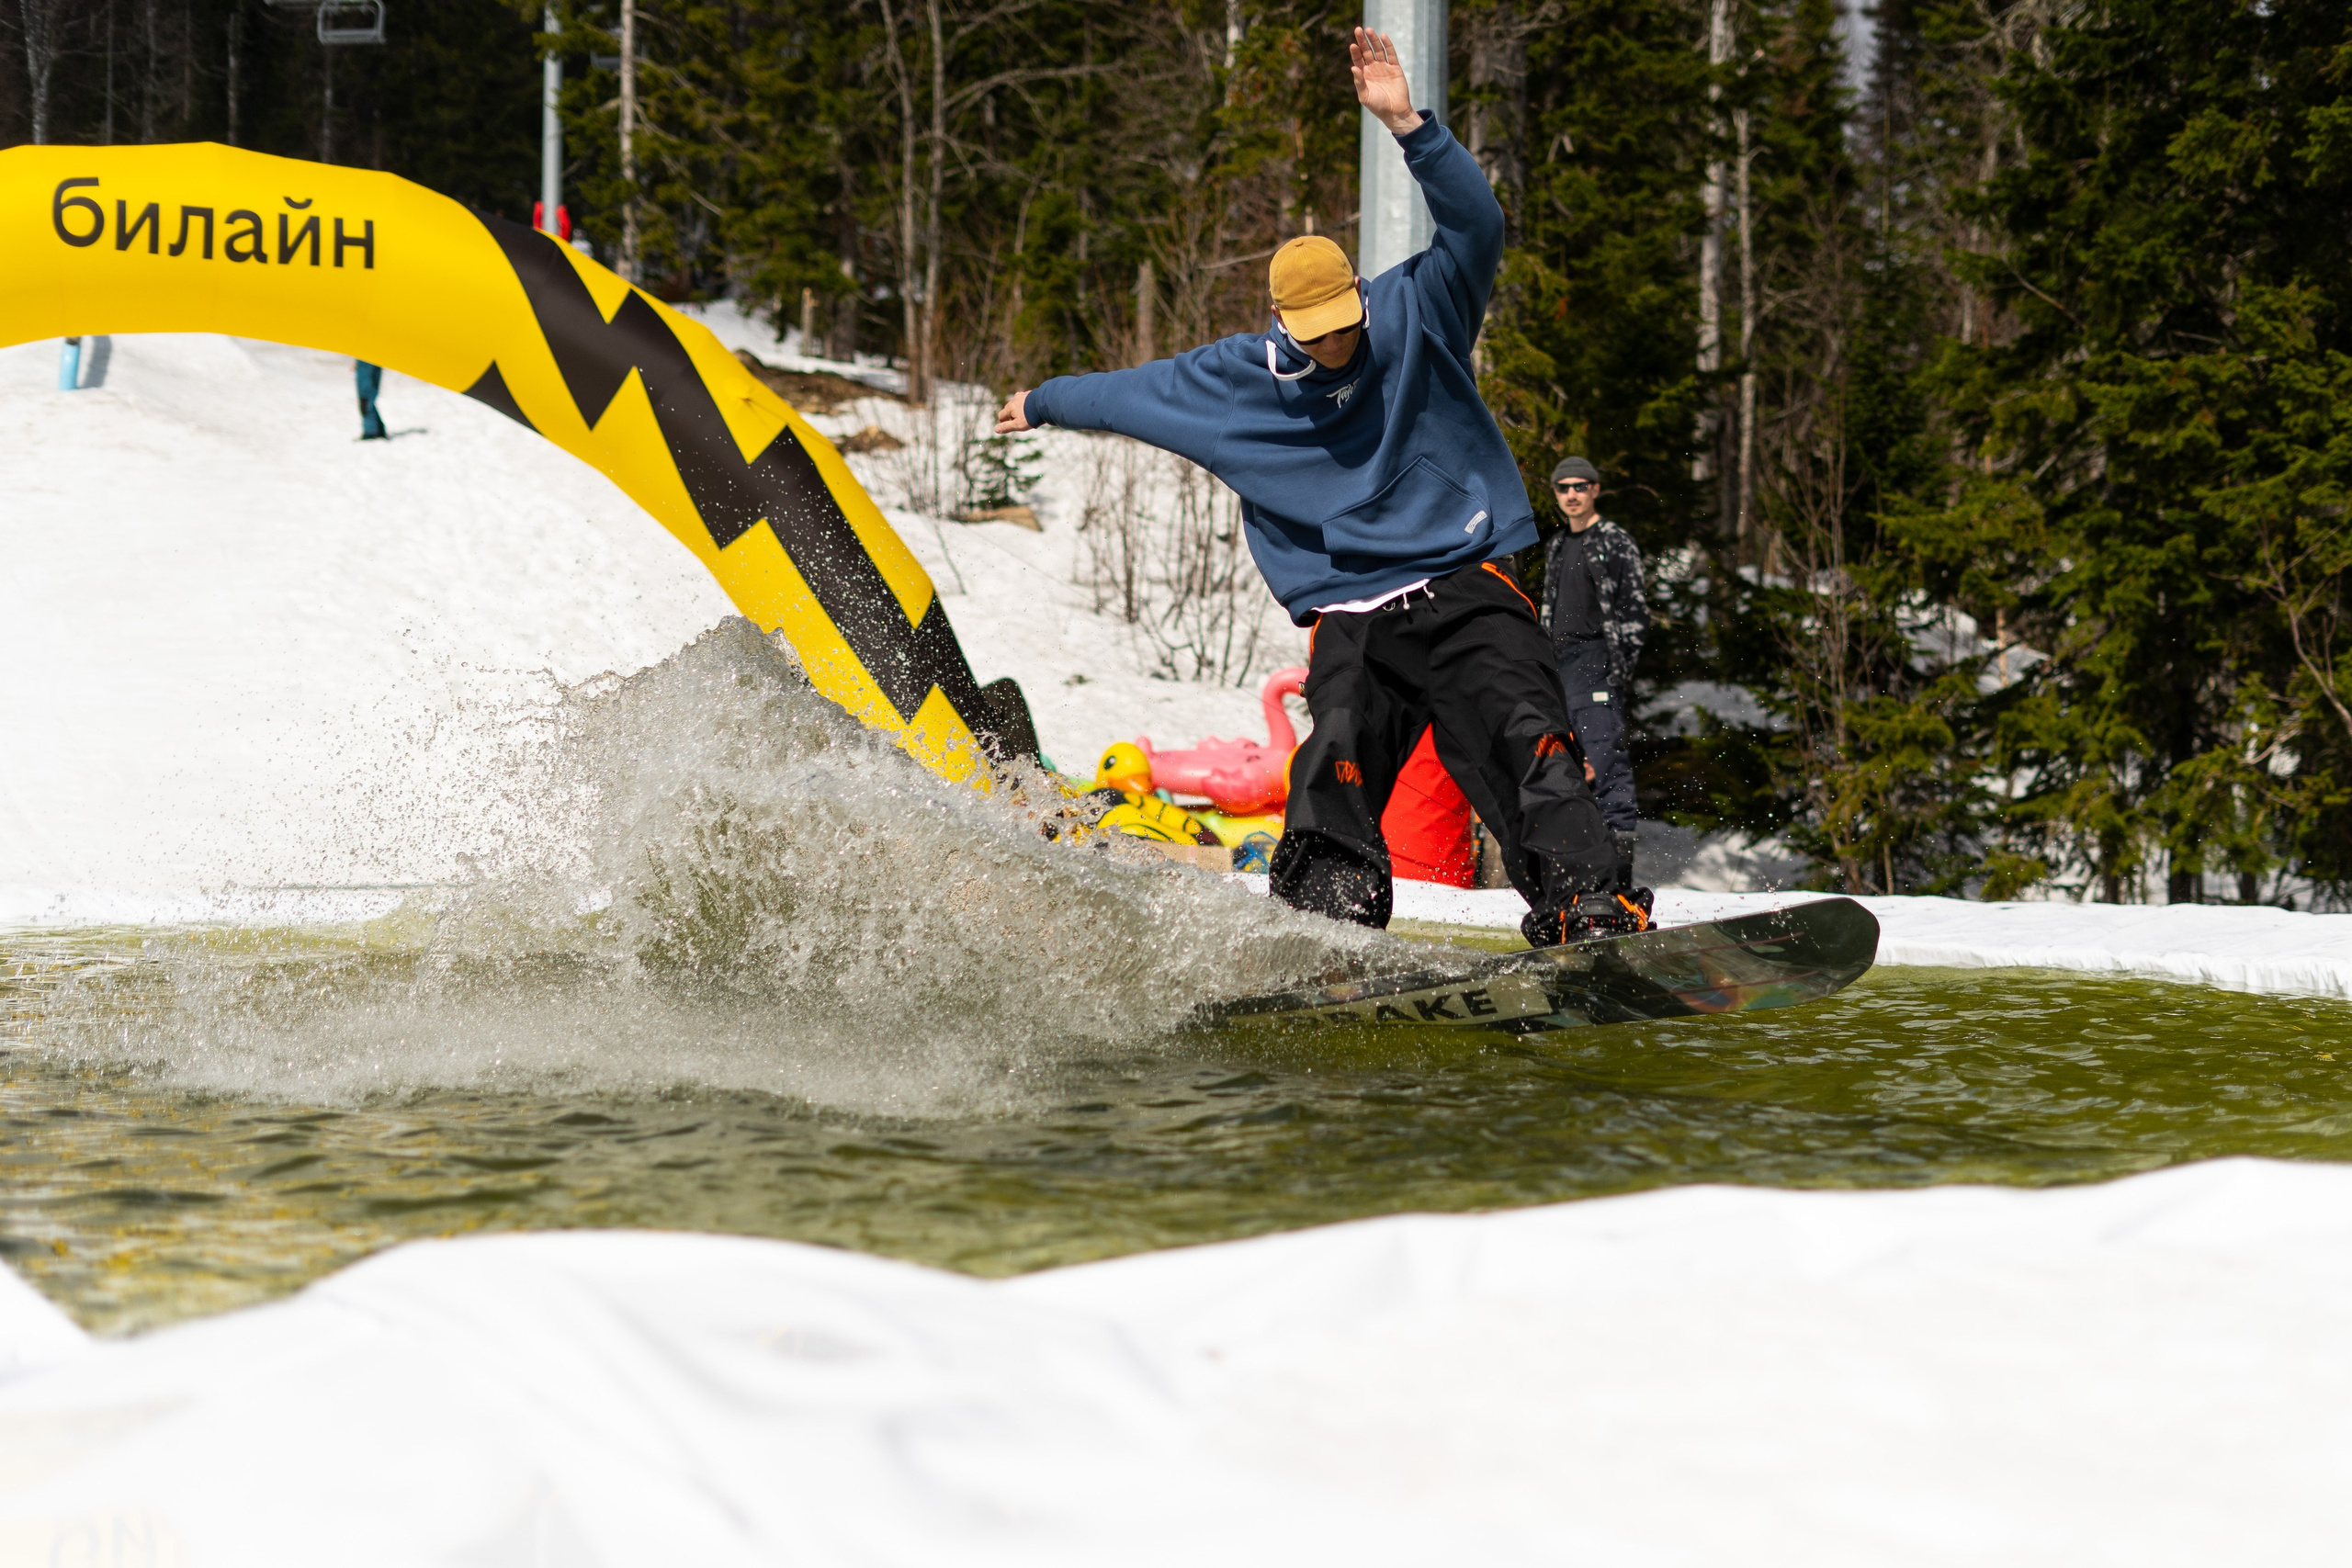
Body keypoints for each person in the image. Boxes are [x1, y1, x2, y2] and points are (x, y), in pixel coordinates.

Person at [997, 28, 1650, 945]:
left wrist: (1409, 127)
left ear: (1358, 297)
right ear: (1283, 323)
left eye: (1344, 325)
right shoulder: (1237, 381)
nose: (1335, 344)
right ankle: (1322, 932)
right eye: (1316, 334)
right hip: (1356, 613)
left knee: (1526, 733)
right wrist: (1045, 400)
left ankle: (1587, 908)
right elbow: (1132, 395)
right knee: (1333, 751)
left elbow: (1478, 226)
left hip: (1466, 583)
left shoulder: (1418, 307)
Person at [1540, 457, 1648, 889]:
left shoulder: (1614, 541)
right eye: (1563, 487)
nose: (1571, 495)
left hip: (1598, 665)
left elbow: (1635, 611)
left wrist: (1618, 669)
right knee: (1564, 773)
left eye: (1580, 487)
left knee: (1607, 768)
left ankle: (1618, 883)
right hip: (1560, 669)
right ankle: (1578, 878)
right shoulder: (1556, 545)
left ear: (1595, 490)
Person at [355, 360, 388, 440]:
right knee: (368, 399)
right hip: (368, 360)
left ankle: (371, 432)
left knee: (365, 400)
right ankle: (378, 430)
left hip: (367, 360)